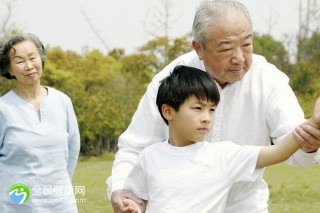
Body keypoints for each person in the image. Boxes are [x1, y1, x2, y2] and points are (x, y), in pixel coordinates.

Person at [108, 1, 320, 212]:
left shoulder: (269, 80)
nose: (239, 58)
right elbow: (135, 148)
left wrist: (311, 140)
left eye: (246, 44)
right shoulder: (171, 79)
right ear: (199, 48)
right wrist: (121, 191)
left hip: (244, 207)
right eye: (226, 48)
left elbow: (291, 147)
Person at [121, 65, 320, 213]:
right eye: (198, 108)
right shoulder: (150, 157)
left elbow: (278, 151)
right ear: (168, 111)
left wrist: (314, 122)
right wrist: (133, 207)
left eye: (212, 109)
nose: (207, 117)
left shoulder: (223, 156)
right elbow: (138, 198)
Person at [0, 33, 80, 212]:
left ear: (41, 59)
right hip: (16, 205)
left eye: (32, 57)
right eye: (19, 61)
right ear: (10, 70)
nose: (28, 66)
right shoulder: (3, 108)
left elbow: (73, 148)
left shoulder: (62, 101)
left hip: (61, 204)